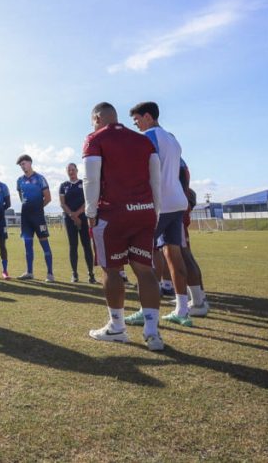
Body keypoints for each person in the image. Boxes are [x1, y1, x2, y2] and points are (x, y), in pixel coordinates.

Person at [82, 102, 165, 351]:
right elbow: (156, 178)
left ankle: (117, 327)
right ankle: (152, 332)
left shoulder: (95, 138)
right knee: (145, 270)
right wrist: (155, 210)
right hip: (144, 212)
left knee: (112, 269)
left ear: (97, 117)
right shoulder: (143, 140)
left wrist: (90, 211)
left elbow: (91, 178)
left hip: (112, 213)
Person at [128, 102, 193, 327]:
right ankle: (182, 309)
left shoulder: (149, 137)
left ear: (147, 117)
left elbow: (142, 170)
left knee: (142, 256)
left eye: (136, 119)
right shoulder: (172, 139)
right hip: (177, 202)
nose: (135, 124)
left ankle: (146, 311)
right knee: (174, 255)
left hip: (160, 204)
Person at [15, 155, 55, 282]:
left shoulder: (40, 178)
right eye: (21, 165)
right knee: (27, 245)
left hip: (38, 217)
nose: (22, 166)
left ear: (30, 163)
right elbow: (22, 198)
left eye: (24, 163)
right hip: (25, 217)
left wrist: (38, 207)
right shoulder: (19, 180)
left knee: (44, 244)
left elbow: (48, 198)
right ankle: (29, 272)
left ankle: (50, 274)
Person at [59, 163, 96, 284]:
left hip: (83, 219)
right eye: (69, 170)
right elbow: (63, 204)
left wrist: (78, 214)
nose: (71, 172)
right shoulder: (63, 186)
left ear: (77, 170)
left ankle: (91, 274)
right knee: (73, 246)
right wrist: (72, 215)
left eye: (73, 170)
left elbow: (88, 201)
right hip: (69, 220)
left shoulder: (83, 183)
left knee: (86, 246)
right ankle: (74, 274)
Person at [180, 162, 209, 315]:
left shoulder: (175, 163)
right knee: (184, 255)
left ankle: (197, 302)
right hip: (178, 208)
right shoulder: (179, 162)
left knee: (183, 255)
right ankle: (197, 297)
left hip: (175, 211)